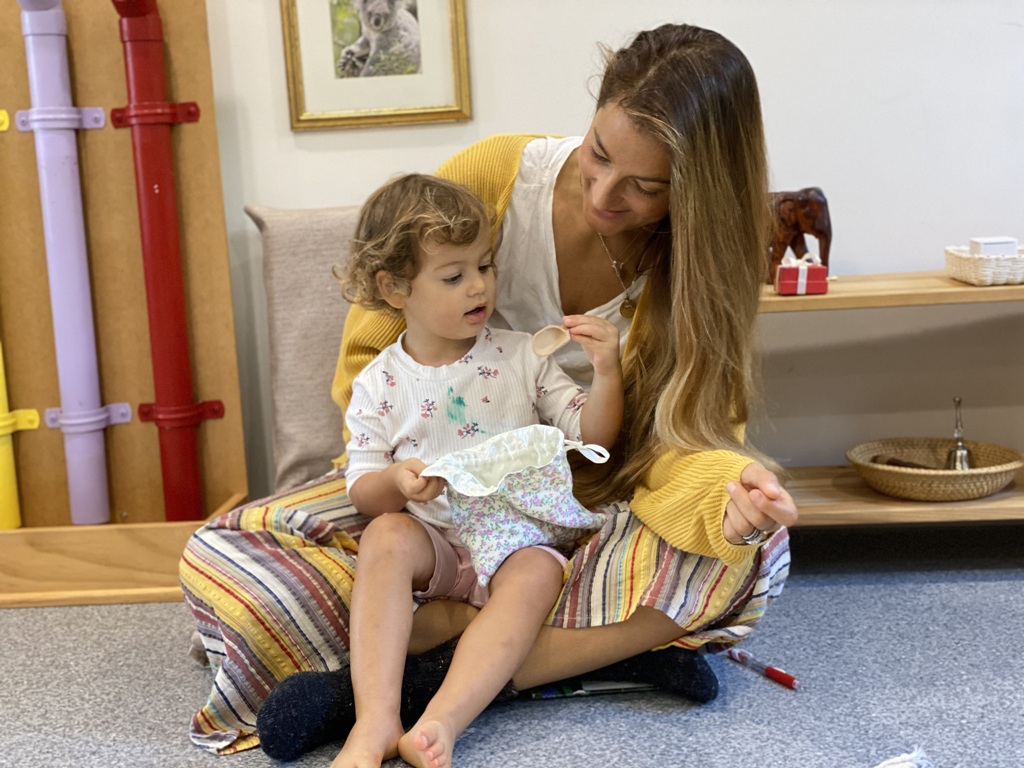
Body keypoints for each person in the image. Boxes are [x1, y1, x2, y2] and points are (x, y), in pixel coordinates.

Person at [180, 22, 797, 760]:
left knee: (753, 552)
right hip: (427, 500)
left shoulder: (696, 274)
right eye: (599, 154)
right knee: (224, 554)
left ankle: (407, 678)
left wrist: (734, 499)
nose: (605, 194)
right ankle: (585, 654)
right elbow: (374, 362)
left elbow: (686, 443)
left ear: (696, 189)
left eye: (646, 186)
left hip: (580, 510)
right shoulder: (497, 177)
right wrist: (401, 479)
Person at [331, 173, 624, 768]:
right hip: (436, 541)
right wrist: (397, 483)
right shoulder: (380, 383)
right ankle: (375, 720)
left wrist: (608, 372)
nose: (479, 285)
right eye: (453, 275)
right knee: (385, 534)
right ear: (394, 288)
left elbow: (591, 437)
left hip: (518, 536)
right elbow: (363, 488)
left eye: (485, 266)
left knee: (539, 573)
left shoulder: (522, 355)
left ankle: (441, 722)